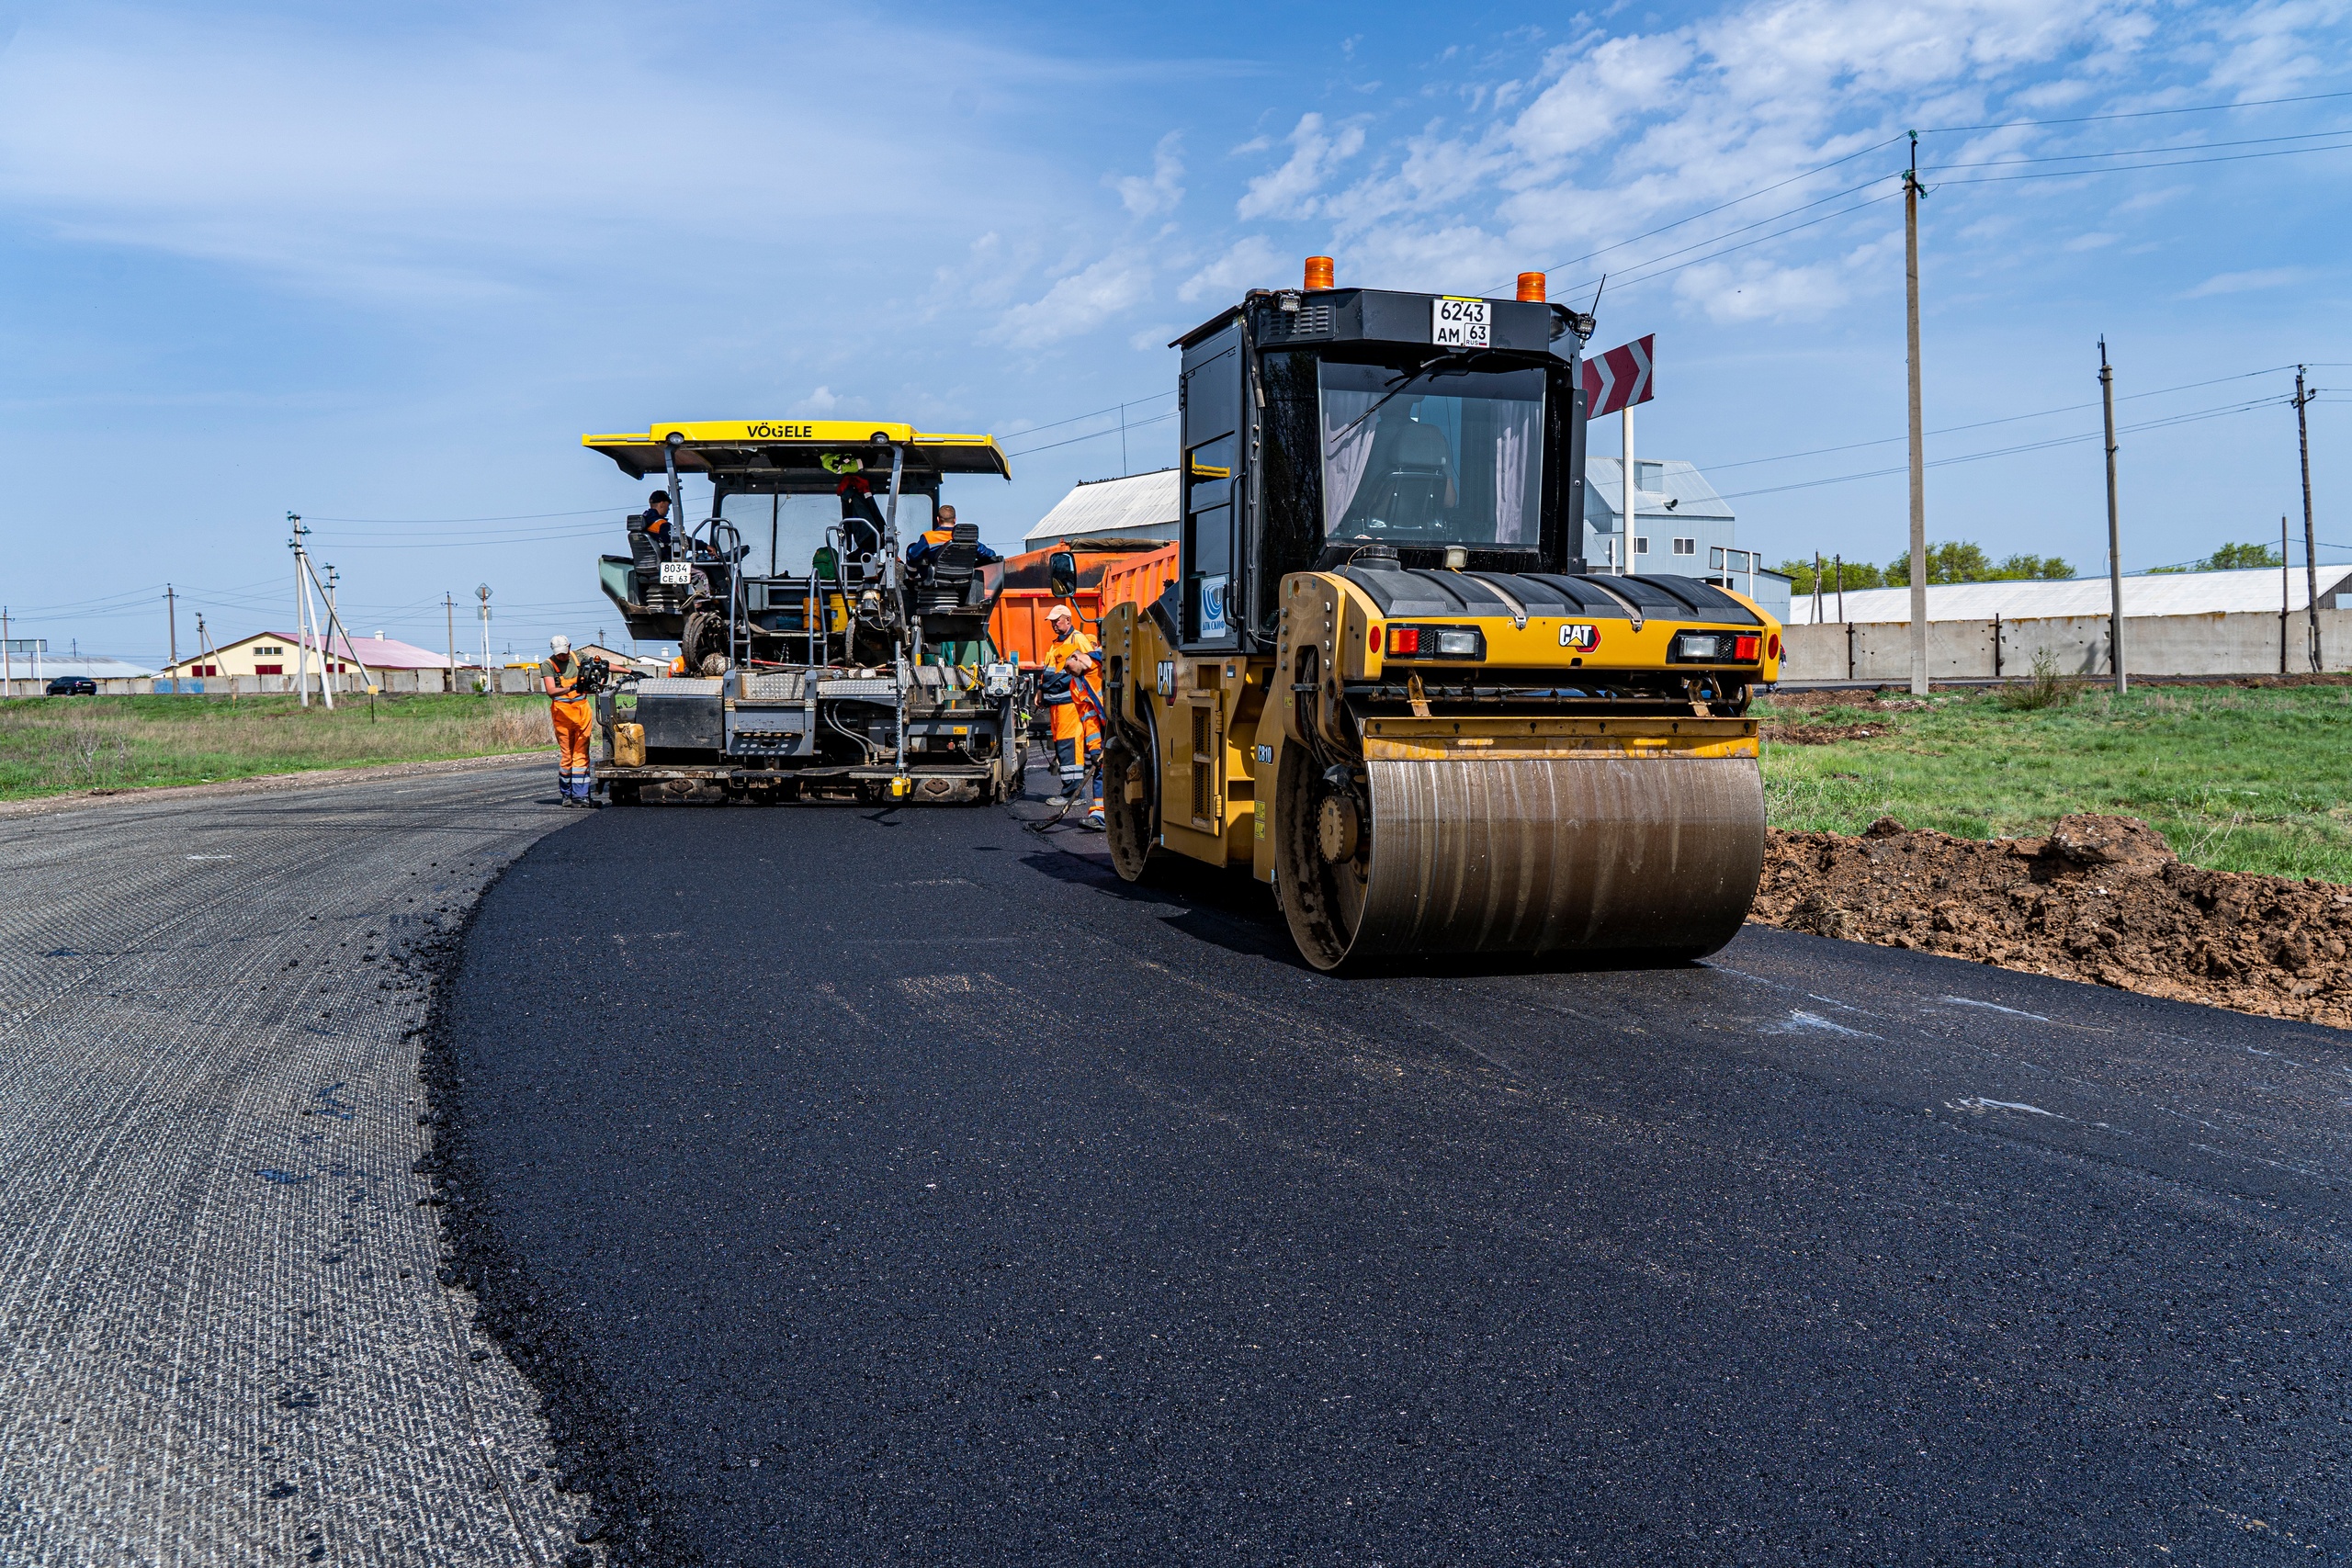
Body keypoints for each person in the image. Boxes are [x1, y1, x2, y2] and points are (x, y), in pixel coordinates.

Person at [1038, 603, 1104, 829]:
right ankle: (1096, 810)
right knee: (1069, 750)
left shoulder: (1079, 643)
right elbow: (1049, 672)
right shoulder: (1056, 645)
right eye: (1052, 621)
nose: (1054, 625)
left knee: (1071, 748)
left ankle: (1074, 793)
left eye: (1057, 621)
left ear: (1068, 619)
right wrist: (1041, 691)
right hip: (1063, 707)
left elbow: (1090, 670)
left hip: (1073, 707)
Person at [540, 635, 597, 807]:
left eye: (564, 653)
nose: (562, 656)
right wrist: (570, 688)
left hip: (582, 710)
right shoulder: (548, 665)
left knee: (581, 753)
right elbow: (551, 691)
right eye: (558, 654)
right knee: (567, 756)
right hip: (562, 713)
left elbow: (601, 666)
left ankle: (581, 796)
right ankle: (567, 795)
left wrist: (629, 671)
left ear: (569, 647)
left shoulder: (578, 657)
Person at [905, 503, 1001, 569]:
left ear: (938, 520)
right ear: (955, 520)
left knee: (911, 548)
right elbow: (990, 554)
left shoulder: (929, 538)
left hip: (935, 581)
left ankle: (911, 580)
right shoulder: (967, 539)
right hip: (964, 582)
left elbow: (913, 555)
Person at [639, 490, 679, 556]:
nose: (668, 509)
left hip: (645, 559)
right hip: (663, 560)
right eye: (668, 506)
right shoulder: (662, 525)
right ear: (662, 504)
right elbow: (680, 540)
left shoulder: (643, 521)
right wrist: (700, 544)